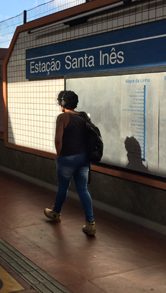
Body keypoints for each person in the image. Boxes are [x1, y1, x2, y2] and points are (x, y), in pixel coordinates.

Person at [44, 90, 96, 236]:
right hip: (83, 158)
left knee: (63, 186)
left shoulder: (63, 117)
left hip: (68, 158)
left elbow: (58, 139)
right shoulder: (85, 117)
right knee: (82, 189)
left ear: (63, 103)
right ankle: (90, 223)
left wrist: (59, 154)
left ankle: (56, 213)